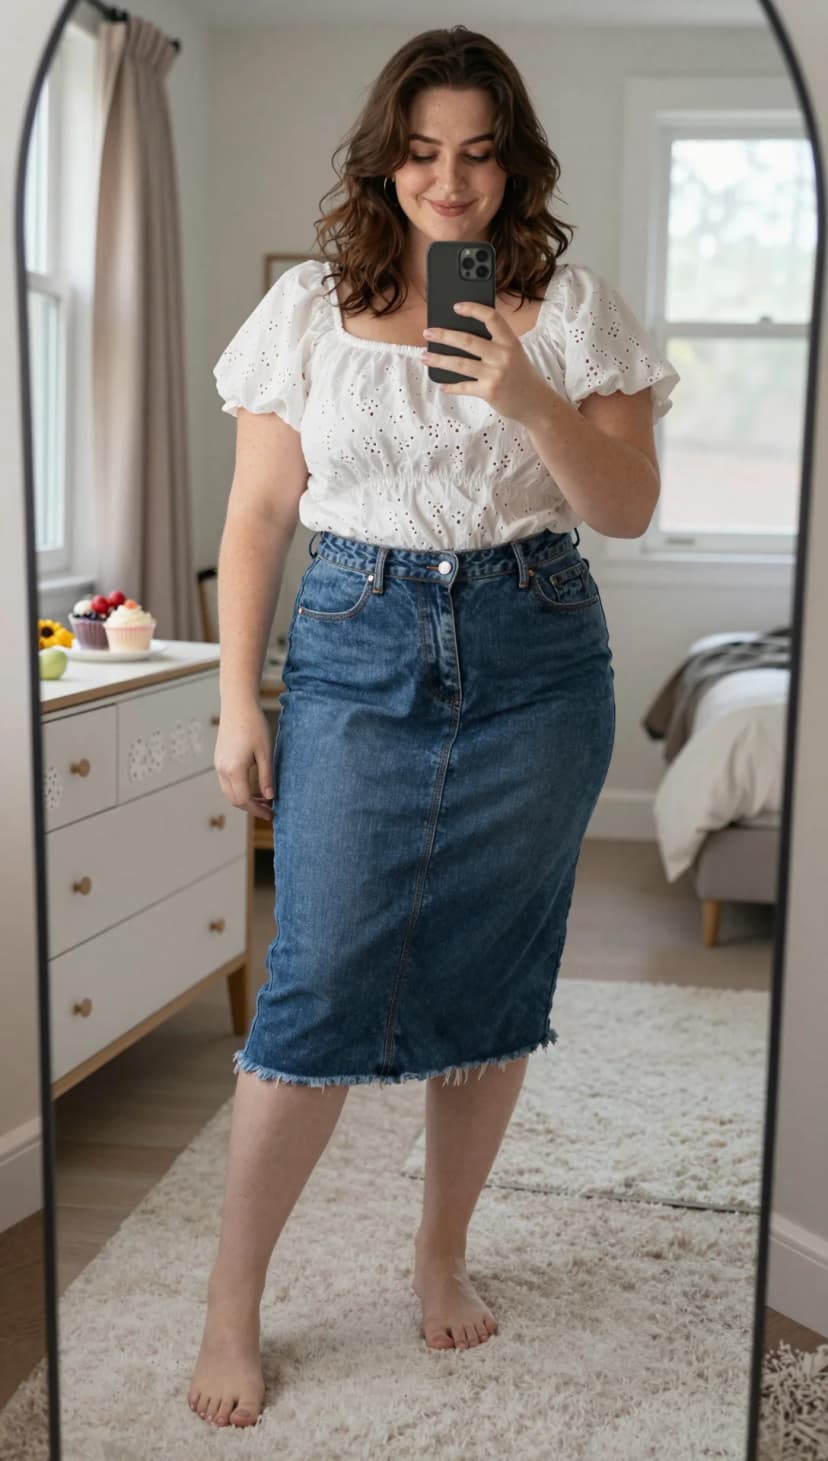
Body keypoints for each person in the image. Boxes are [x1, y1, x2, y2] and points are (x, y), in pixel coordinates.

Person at [188, 24, 679, 1430]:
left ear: (512, 164)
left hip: (534, 652)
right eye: (421, 153)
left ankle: (439, 1244)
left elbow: (625, 506)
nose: (448, 185)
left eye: (476, 155)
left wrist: (522, 389)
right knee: (316, 978)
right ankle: (235, 1295)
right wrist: (238, 700)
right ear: (385, 160)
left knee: (489, 973)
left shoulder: (571, 307)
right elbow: (261, 513)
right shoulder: (307, 312)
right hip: (353, 646)